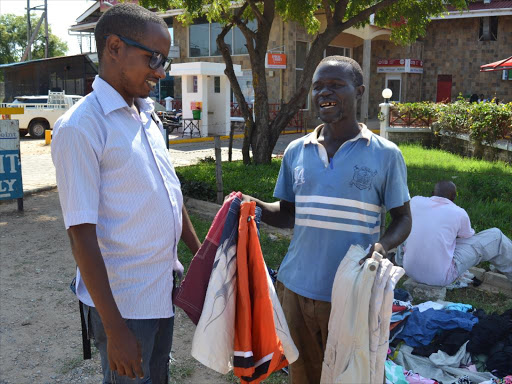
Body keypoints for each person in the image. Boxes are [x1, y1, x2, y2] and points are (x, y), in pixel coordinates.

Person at [51, 4, 201, 383]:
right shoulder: (82, 127)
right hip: (124, 305)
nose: (160, 71)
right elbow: (80, 234)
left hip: (161, 289)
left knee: (157, 376)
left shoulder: (146, 115)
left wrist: (201, 260)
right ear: (114, 47)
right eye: (153, 57)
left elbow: (171, 195)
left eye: (164, 60)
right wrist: (115, 330)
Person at [241, 56, 412, 384]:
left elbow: (403, 219)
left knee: (348, 377)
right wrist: (253, 205)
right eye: (318, 86)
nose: (323, 92)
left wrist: (382, 246)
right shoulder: (296, 150)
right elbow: (288, 214)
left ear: (359, 91)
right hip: (295, 287)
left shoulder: (385, 154)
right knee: (302, 375)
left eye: (335, 85)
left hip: (350, 290)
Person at [403, 181, 512, 287]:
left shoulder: (415, 201)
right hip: (439, 278)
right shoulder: (459, 212)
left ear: (432, 193)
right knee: (496, 236)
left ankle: (397, 259)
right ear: (454, 198)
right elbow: (467, 236)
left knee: (409, 229)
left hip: (410, 270)